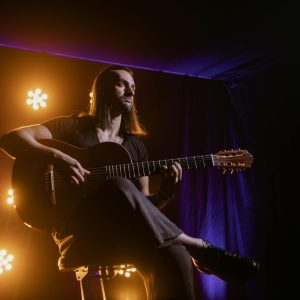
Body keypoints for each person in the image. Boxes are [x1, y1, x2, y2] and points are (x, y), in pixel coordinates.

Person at [0, 65, 259, 299]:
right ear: (101, 89)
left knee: (174, 254)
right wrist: (58, 158)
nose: (130, 91)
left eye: (133, 87)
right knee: (118, 185)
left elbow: (141, 208)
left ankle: (187, 247)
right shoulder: (71, 128)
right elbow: (11, 139)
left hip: (124, 234)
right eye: (121, 83)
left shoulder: (135, 147)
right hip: (79, 232)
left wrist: (164, 195)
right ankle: (197, 245)